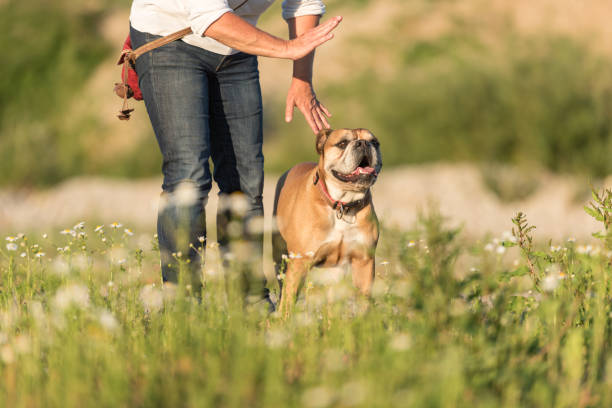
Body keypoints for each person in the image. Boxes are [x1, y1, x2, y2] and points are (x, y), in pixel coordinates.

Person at [129, 0, 340, 302]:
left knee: (246, 182)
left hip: (235, 49)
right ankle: (182, 305)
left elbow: (303, 2)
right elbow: (209, 16)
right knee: (188, 177)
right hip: (169, 38)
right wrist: (286, 49)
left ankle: (250, 302)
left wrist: (301, 79)